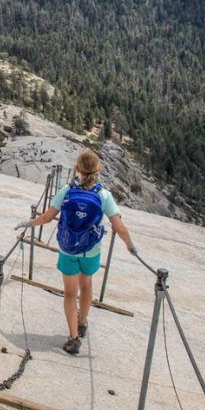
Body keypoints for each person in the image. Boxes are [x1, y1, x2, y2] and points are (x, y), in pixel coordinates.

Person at [15, 150, 137, 355]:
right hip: (91, 250)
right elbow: (120, 227)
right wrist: (130, 246)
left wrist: (28, 223)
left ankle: (73, 338)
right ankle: (82, 323)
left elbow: (46, 217)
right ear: (98, 169)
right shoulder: (103, 195)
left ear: (77, 169)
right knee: (87, 284)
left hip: (68, 248)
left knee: (70, 293)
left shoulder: (66, 190)